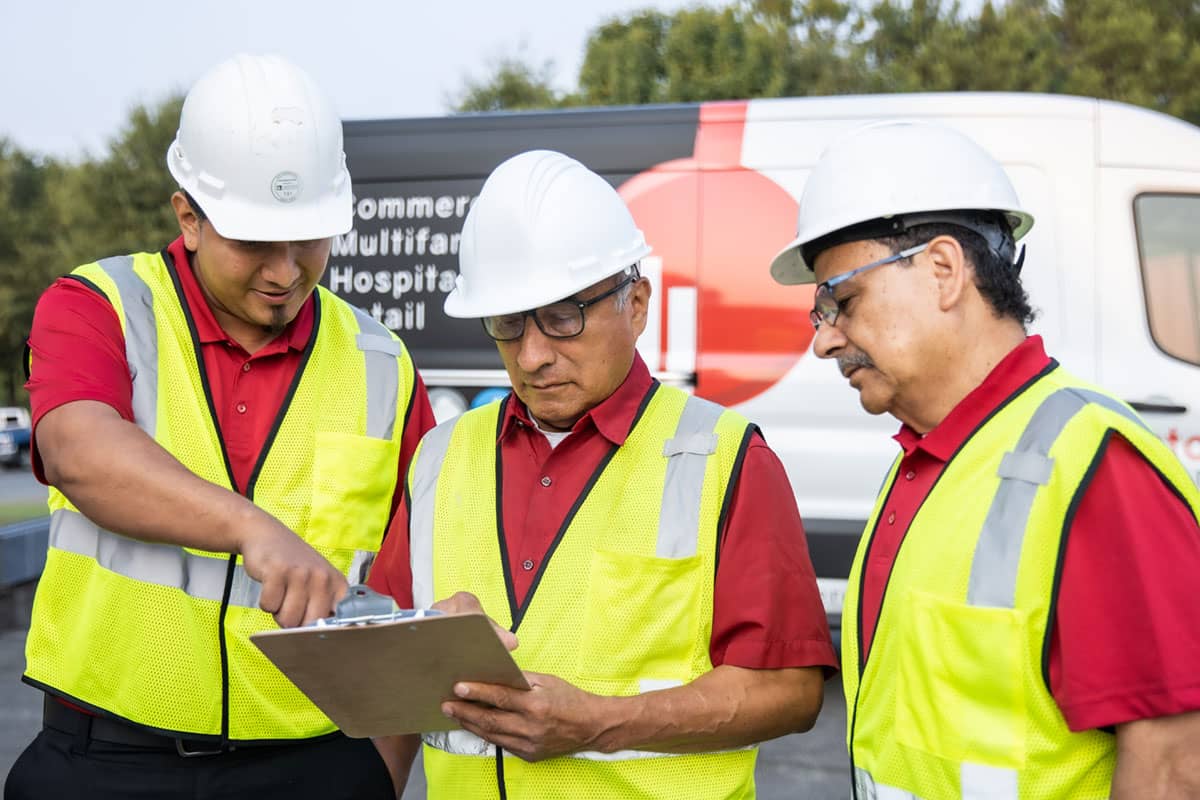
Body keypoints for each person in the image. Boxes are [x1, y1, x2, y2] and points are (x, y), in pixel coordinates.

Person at [5, 54, 434, 800]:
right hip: (104, 761)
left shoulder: (382, 362)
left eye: (309, 239)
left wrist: (377, 771)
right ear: (188, 217)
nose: (286, 270)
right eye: (256, 241)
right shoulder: (100, 306)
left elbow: (415, 575)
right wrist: (252, 528)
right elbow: (79, 452)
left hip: (314, 766)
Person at [366, 149, 837, 799]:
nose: (532, 355)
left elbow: (789, 692)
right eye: (507, 323)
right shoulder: (441, 458)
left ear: (636, 304)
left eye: (563, 317)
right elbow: (390, 694)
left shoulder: (724, 458)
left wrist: (599, 723)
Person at [769, 120, 1200, 799]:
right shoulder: (927, 462)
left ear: (944, 270)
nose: (825, 341)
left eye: (841, 301)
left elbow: (1175, 764)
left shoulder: (1097, 465)